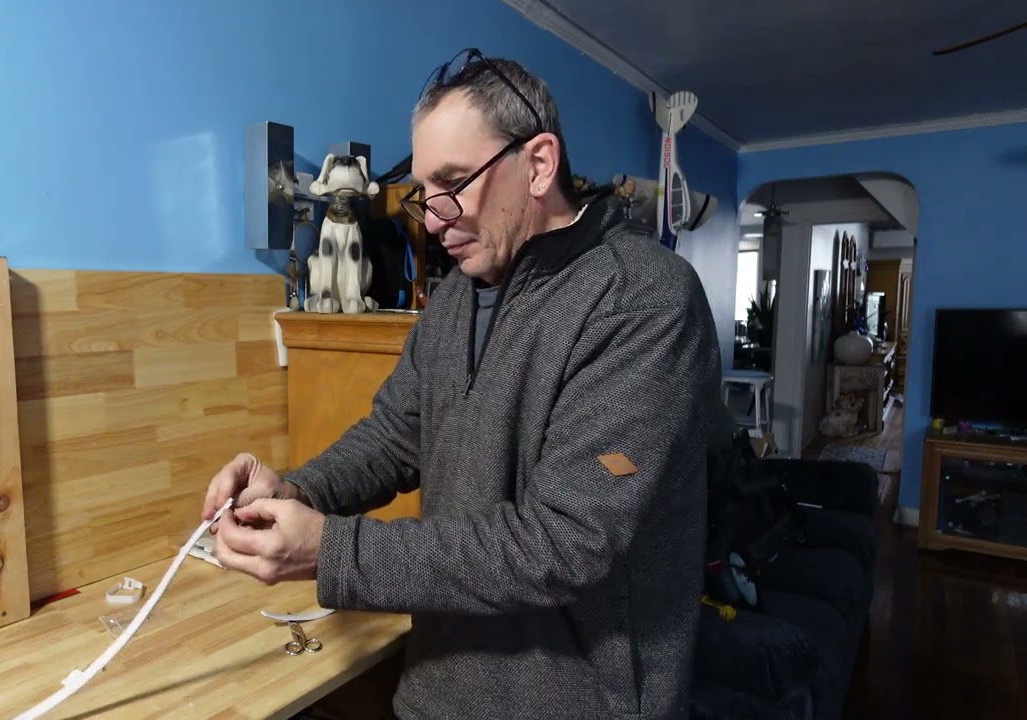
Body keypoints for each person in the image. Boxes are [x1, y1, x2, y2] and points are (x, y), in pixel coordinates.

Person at [203, 48, 732, 720]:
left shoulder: (642, 299)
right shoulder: (456, 296)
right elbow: (396, 435)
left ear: (538, 164)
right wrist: (298, 490)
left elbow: (565, 543)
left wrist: (332, 551)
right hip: (436, 694)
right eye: (425, 190)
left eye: (454, 181)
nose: (432, 217)